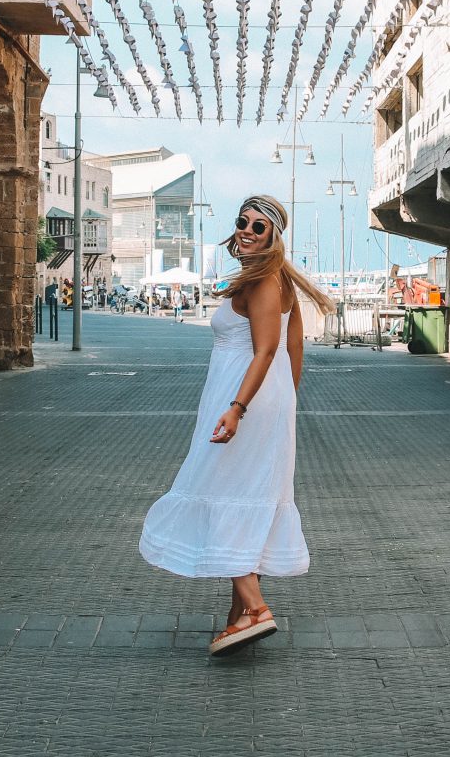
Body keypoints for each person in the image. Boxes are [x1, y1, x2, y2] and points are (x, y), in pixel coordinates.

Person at [139, 194, 334, 655]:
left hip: (242, 403)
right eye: (242, 222)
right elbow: (295, 351)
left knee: (215, 489)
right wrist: (281, 404)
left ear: (274, 237)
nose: (247, 230)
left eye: (259, 226)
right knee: (248, 501)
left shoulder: (265, 280)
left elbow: (269, 349)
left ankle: (258, 607)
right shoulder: (272, 279)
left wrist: (240, 408)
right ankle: (237, 621)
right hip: (260, 402)